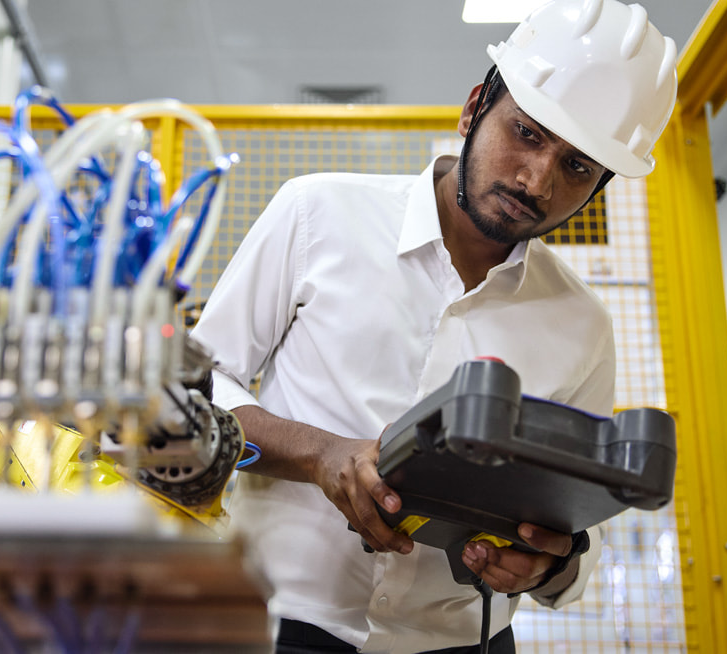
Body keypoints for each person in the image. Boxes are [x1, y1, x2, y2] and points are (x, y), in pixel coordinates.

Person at [191, 1, 678, 652]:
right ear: (475, 106)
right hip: (275, 620)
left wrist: (547, 564)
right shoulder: (318, 216)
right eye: (527, 134)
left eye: (577, 168)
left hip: (461, 641)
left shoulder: (582, 325)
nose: (536, 180)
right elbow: (195, 392)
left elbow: (576, 531)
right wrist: (319, 456)